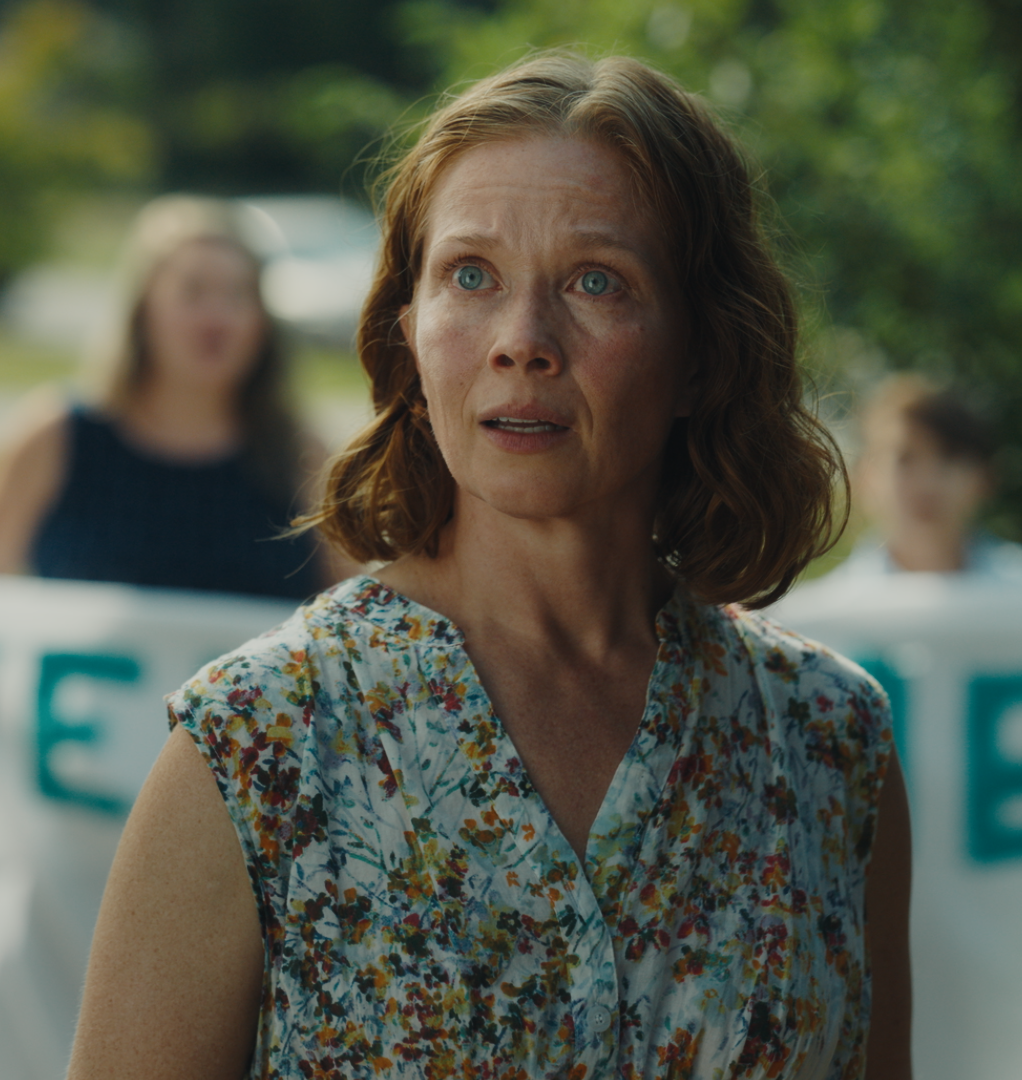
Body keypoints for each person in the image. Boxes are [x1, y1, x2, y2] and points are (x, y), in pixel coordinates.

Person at [69, 52, 912, 1079]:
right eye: (470, 276)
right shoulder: (260, 743)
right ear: (409, 336)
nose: (523, 339)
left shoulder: (829, 743)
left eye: (596, 281)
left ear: (703, 350)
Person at [0, 195, 344, 600]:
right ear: (141, 309)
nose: (217, 317)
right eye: (193, 292)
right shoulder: (56, 436)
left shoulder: (303, 456)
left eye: (238, 295)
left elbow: (349, 612)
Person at [822, 374, 1022, 584]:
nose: (927, 482)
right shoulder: (821, 616)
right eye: (905, 458)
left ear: (985, 478)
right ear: (863, 477)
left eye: (949, 458)